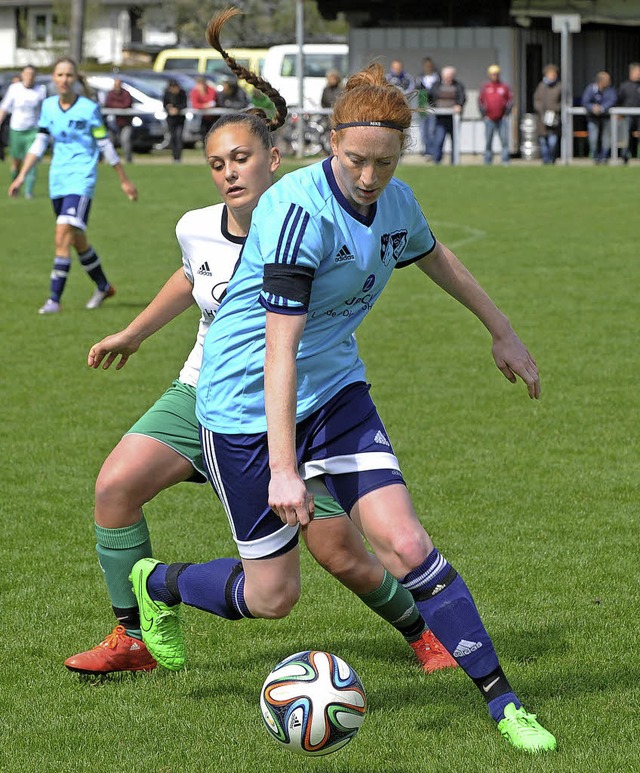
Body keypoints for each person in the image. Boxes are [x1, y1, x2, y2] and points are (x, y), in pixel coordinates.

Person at [131, 10, 556, 755]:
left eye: (384, 164)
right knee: (274, 598)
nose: (368, 177)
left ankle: (503, 703)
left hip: (335, 392)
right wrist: (287, 468)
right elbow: (278, 351)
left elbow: (434, 255)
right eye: (357, 159)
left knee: (405, 541)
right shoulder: (299, 214)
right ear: (332, 143)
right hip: (243, 408)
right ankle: (156, 582)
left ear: (399, 157)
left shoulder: (395, 199)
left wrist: (503, 328)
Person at [63, 24, 455, 677]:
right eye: (217, 164)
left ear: (276, 157)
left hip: (293, 404)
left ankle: (423, 633)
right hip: (203, 394)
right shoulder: (197, 226)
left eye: (241, 158)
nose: (228, 174)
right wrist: (134, 332)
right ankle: (133, 636)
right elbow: (193, 279)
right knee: (114, 486)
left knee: (339, 550)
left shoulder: (312, 220)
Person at [8, 57, 137, 314]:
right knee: (77, 240)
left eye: (69, 75)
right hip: (58, 180)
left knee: (61, 236)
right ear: (53, 78)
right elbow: (40, 143)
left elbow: (104, 145)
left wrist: (123, 179)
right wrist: (22, 175)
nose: (64, 80)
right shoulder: (48, 107)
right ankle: (103, 286)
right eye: (59, 75)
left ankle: (54, 300)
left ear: (75, 79)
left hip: (81, 180)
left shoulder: (89, 109)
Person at [0, 65, 47, 199]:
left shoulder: (41, 90)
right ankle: (15, 185)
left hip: (33, 130)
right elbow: (4, 107)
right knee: (16, 162)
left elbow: (45, 110)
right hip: (16, 129)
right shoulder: (14, 89)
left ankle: (28, 192)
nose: (29, 76)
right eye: (27, 73)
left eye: (32, 74)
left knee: (31, 159)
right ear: (22, 75)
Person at [429, 66, 466, 164]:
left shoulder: (458, 85)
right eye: (448, 75)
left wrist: (459, 105)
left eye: (451, 75)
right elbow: (430, 96)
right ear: (443, 75)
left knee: (455, 141)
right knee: (439, 140)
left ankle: (454, 162)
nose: (450, 77)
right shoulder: (436, 85)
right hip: (441, 118)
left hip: (454, 118)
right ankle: (437, 161)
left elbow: (462, 97)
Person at [478, 64, 513, 165]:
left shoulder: (504, 87)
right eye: (493, 74)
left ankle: (505, 160)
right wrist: (483, 113)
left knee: (504, 140)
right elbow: (480, 101)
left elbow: (510, 100)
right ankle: (488, 161)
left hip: (502, 118)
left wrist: (507, 113)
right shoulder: (485, 87)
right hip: (489, 118)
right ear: (489, 75)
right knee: (488, 140)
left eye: (496, 74)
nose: (495, 76)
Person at [581, 71, 617, 165]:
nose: (609, 82)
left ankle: (605, 156)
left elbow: (612, 100)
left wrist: (602, 108)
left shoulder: (610, 90)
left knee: (607, 137)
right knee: (593, 137)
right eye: (607, 80)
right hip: (593, 117)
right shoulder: (590, 89)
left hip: (606, 117)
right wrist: (592, 107)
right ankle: (595, 156)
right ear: (600, 81)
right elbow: (585, 101)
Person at [533, 64, 562, 165]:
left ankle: (552, 159)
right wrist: (541, 111)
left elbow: (563, 102)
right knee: (543, 141)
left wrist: (555, 109)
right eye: (550, 74)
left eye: (553, 74)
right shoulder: (541, 86)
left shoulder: (559, 87)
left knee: (553, 142)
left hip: (554, 119)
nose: (552, 76)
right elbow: (536, 100)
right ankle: (546, 160)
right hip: (542, 119)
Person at [103, 78, 133, 164]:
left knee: (125, 141)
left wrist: (115, 106)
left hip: (125, 123)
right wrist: (118, 106)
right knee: (110, 142)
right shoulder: (110, 94)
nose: (117, 87)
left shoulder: (126, 94)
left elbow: (126, 104)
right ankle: (111, 161)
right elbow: (108, 104)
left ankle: (128, 161)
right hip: (113, 124)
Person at [617, 62, 640, 164]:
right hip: (628, 115)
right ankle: (625, 156)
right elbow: (618, 100)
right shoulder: (624, 86)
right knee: (626, 137)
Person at [416, 57, 439, 157]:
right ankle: (426, 150)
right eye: (426, 66)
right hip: (422, 106)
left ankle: (433, 151)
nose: (428, 68)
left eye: (429, 66)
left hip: (433, 106)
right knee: (423, 130)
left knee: (432, 130)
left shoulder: (437, 77)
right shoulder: (420, 78)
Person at [162, 79, 187, 162]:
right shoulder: (166, 94)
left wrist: (177, 109)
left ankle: (179, 157)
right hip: (171, 119)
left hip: (180, 119)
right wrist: (169, 109)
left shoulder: (182, 93)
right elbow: (164, 105)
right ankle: (174, 156)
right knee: (172, 137)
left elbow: (184, 104)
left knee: (179, 137)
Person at [190, 76, 218, 146]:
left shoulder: (211, 90)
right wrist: (205, 105)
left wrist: (203, 105)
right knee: (204, 135)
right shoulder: (194, 91)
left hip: (214, 117)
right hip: (203, 117)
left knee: (213, 135)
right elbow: (195, 105)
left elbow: (212, 102)